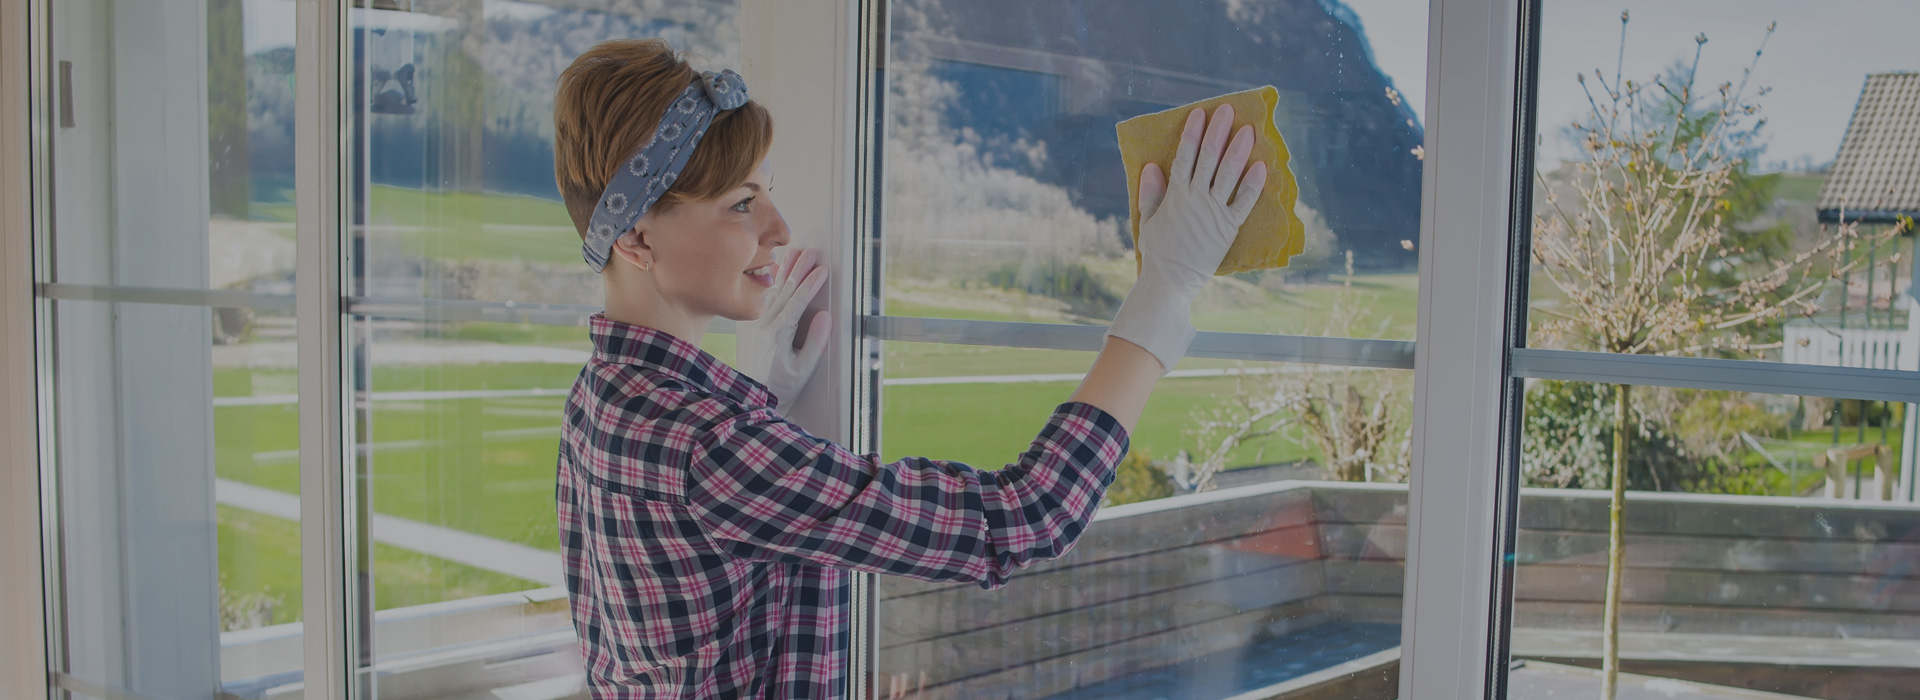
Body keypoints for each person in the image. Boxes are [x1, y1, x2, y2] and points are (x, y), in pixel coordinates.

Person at [551, 39, 1267, 699]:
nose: (781, 228)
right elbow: (1022, 516)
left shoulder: (600, 398)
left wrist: (764, 405)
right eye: (742, 203)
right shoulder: (707, 448)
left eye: (767, 190)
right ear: (639, 239)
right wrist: (1162, 295)